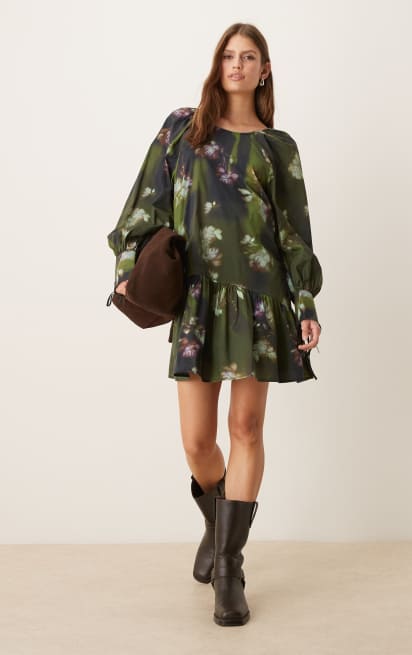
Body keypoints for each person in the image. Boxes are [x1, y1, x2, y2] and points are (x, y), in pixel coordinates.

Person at [106, 22, 323, 627]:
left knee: (245, 427)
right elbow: (145, 203)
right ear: (217, 64)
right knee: (198, 443)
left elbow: (293, 233)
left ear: (264, 70)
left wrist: (305, 303)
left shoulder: (278, 148)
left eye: (249, 57)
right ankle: (217, 519)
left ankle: (230, 566)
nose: (237, 65)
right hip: (198, 301)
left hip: (260, 299)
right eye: (229, 55)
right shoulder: (183, 127)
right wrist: (127, 268)